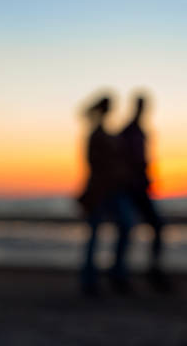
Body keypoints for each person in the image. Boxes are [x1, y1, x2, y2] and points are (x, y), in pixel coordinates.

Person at [77, 95, 134, 295]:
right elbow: (95, 165)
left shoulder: (107, 134)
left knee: (123, 227)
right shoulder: (96, 135)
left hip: (113, 191)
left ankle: (114, 273)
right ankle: (91, 279)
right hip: (100, 191)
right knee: (96, 234)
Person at [119, 94, 170, 291]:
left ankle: (152, 270)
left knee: (152, 227)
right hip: (131, 188)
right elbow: (126, 161)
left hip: (140, 187)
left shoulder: (140, 131)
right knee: (128, 229)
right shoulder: (128, 132)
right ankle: (122, 274)